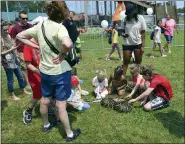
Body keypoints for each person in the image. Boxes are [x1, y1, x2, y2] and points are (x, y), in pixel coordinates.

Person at [16, 1, 81, 142]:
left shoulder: (40, 26)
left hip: (44, 71)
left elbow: (19, 36)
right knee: (61, 104)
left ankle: (46, 125)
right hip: (60, 72)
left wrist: (36, 45)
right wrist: (63, 54)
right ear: (62, 12)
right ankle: (69, 134)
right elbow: (68, 44)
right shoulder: (60, 28)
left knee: (45, 100)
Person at [1, 22, 31, 101]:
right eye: (5, 30)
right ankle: (12, 94)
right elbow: (1, 53)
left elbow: (13, 46)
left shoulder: (9, 36)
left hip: (14, 59)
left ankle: (23, 90)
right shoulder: (1, 39)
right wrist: (11, 49)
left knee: (20, 76)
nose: (7, 31)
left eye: (8, 29)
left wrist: (16, 55)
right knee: (10, 79)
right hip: (6, 62)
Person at [121, 3, 146, 80]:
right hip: (127, 44)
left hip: (137, 43)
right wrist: (123, 34)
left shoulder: (140, 18)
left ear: (134, 12)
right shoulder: (124, 19)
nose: (129, 15)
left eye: (130, 13)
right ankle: (123, 78)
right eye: (128, 13)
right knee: (126, 62)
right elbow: (122, 31)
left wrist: (142, 46)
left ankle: (137, 78)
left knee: (138, 62)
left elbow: (143, 32)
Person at [10, 11, 33, 89]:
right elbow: (13, 40)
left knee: (33, 65)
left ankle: (34, 80)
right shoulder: (15, 28)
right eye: (23, 18)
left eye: (27, 18)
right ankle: (28, 83)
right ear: (19, 18)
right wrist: (15, 53)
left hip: (31, 49)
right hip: (21, 50)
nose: (26, 20)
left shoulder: (30, 26)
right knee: (24, 67)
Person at [22, 39, 42, 124]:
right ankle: (28, 111)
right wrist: (39, 72)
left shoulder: (43, 41)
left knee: (50, 92)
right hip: (35, 75)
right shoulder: (28, 45)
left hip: (47, 73)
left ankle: (50, 108)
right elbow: (28, 64)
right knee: (38, 95)